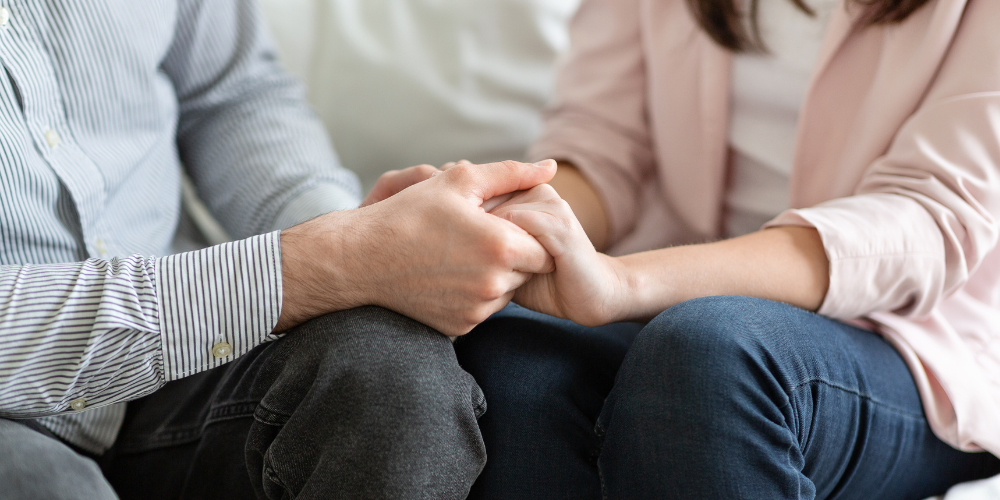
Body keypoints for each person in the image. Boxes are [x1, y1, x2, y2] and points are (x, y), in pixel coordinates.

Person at [0, 1, 558, 498]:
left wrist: (357, 235)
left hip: (178, 366)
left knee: (388, 375)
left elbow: (229, 95)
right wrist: (328, 259)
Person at [453, 0, 1000, 498]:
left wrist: (625, 283)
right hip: (672, 294)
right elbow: (603, 141)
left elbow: (931, 218)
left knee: (711, 356)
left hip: (917, 335)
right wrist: (496, 217)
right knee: (512, 365)